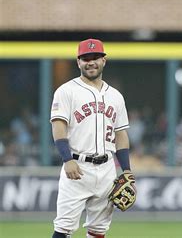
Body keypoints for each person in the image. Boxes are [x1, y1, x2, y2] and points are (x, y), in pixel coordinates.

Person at [50, 38, 134, 238]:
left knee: (98, 230)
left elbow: (120, 135)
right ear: (78, 62)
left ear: (104, 61)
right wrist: (67, 159)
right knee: (63, 228)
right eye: (85, 58)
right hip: (77, 168)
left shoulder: (115, 96)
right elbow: (58, 127)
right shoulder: (66, 91)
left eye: (95, 57)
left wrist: (127, 170)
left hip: (107, 170)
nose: (91, 62)